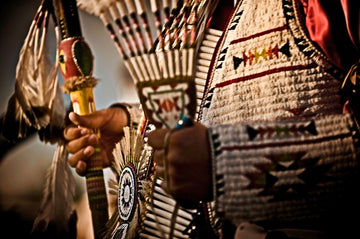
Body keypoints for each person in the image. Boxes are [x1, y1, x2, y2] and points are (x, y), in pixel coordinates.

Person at [64, 0, 360, 238]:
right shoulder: (191, 11)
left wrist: (227, 163)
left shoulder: (323, 8)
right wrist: (131, 131)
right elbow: (204, 112)